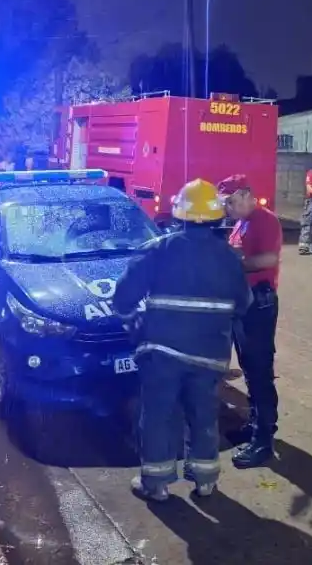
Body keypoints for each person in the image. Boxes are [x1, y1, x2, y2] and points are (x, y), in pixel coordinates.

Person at [113, 178, 250, 502]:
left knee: (158, 416)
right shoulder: (229, 258)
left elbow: (124, 296)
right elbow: (243, 305)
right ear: (218, 215)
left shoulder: (158, 250)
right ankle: (205, 481)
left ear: (179, 214)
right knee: (203, 415)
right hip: (209, 355)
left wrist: (130, 319)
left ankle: (157, 485)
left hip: (161, 353)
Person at [218, 174, 283, 468]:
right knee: (249, 369)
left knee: (259, 372)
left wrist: (234, 262)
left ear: (246, 194)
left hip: (259, 302)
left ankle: (263, 440)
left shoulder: (263, 220)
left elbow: (268, 260)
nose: (228, 208)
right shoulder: (242, 222)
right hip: (245, 302)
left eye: (231, 201)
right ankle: (255, 426)